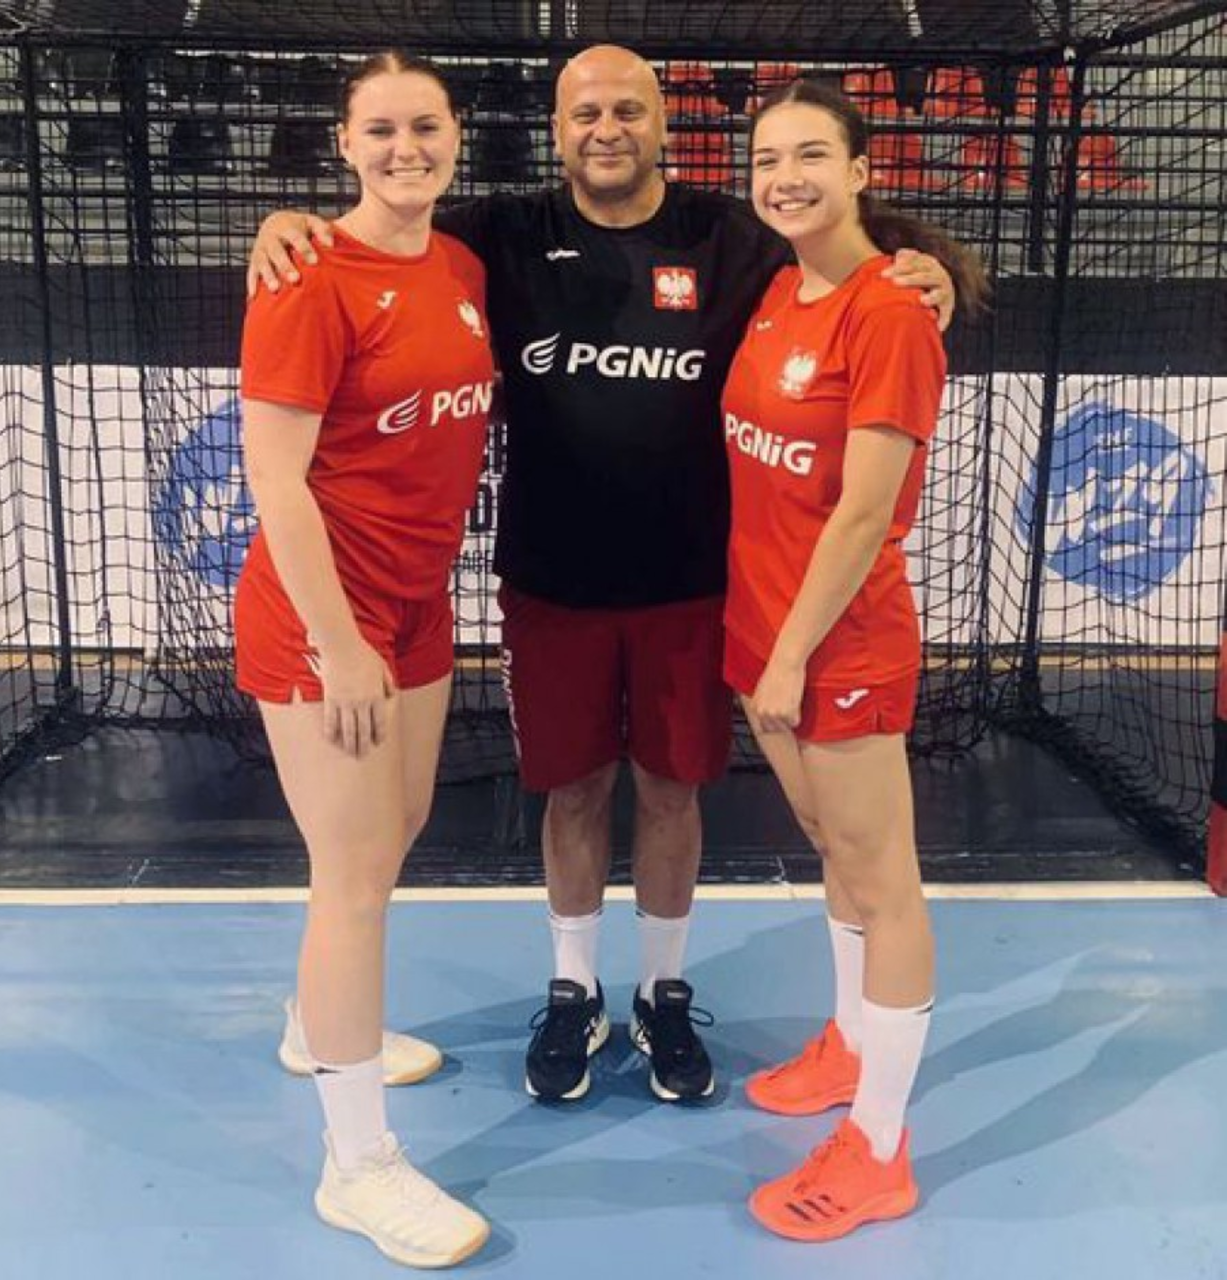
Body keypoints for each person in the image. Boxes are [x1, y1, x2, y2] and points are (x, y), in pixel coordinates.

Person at [248, 45, 956, 1106]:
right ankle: (573, 989)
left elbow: (839, 255)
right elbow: (378, 227)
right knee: (570, 793)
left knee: (671, 794)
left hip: (690, 585)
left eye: (629, 109)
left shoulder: (734, 238)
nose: (607, 128)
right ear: (556, 128)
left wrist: (920, 267)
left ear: (665, 125)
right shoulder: (494, 236)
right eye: (585, 113)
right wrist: (279, 223)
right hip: (551, 580)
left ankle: (663, 990)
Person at [236, 50, 493, 1267]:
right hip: (321, 615)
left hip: (417, 601)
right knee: (349, 875)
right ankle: (356, 1164)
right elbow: (275, 478)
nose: (405, 148)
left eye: (424, 126)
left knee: (395, 830)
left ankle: (314, 1026)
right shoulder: (304, 278)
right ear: (343, 143)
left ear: (456, 134)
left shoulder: (460, 268)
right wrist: (336, 642)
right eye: (380, 129)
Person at [721, 79, 988, 1241]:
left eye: (810, 155)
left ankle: (879, 1145)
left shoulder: (888, 314)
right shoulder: (781, 289)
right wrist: (762, 646)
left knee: (884, 883)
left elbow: (863, 512)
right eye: (766, 158)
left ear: (862, 169)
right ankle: (846, 1042)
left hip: (835, 642)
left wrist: (788, 655)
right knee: (831, 846)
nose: (784, 177)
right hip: (762, 628)